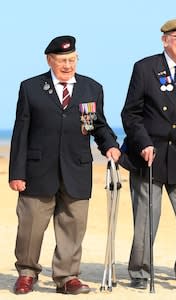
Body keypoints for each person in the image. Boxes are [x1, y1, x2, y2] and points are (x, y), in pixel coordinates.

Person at [8, 35, 121, 295]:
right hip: (37, 171)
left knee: (72, 227)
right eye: (62, 60)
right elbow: (20, 133)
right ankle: (27, 273)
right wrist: (17, 172)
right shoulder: (30, 87)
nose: (67, 65)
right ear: (50, 60)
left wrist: (110, 146)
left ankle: (67, 277)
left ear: (77, 59)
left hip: (77, 169)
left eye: (72, 60)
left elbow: (98, 126)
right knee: (30, 227)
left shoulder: (92, 88)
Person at [121, 18, 176, 292]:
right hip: (151, 156)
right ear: (165, 40)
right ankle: (139, 272)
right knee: (147, 219)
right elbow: (131, 114)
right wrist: (143, 143)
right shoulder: (146, 68)